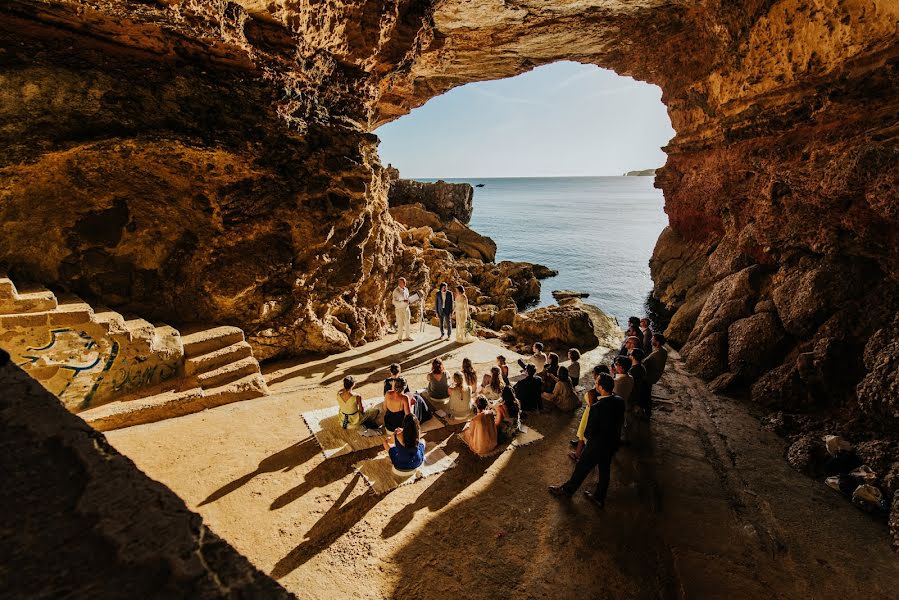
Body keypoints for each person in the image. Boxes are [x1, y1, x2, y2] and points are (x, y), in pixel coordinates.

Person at [549, 374, 625, 508]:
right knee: (604, 471)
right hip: (611, 443)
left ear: (601, 387)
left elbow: (589, 432)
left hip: (596, 446)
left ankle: (567, 490)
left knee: (581, 468)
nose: (595, 385)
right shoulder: (619, 400)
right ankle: (599, 498)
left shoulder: (597, 407)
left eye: (596, 383)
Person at [642, 333, 669, 419]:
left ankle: (646, 413)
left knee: (646, 395)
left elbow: (644, 362)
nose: (650, 340)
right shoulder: (664, 351)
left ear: (657, 342)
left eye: (652, 339)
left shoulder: (656, 353)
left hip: (649, 377)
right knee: (647, 394)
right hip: (655, 376)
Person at [569, 388, 598, 460]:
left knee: (582, 432)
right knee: (583, 433)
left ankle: (578, 454)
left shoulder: (592, 393)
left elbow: (592, 408)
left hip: (589, 414)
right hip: (589, 413)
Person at [392, 277, 413, 342]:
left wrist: (410, 300)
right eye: (403, 282)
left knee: (407, 323)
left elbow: (407, 298)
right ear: (400, 283)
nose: (405, 283)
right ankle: (400, 338)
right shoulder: (396, 291)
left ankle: (407, 336)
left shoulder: (406, 289)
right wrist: (403, 301)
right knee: (400, 324)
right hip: (399, 309)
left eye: (405, 282)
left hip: (406, 308)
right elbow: (394, 302)